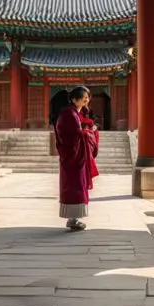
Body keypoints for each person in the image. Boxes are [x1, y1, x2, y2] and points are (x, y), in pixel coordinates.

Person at [55, 86, 96, 231]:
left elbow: (80, 130)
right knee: (74, 186)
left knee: (79, 185)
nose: (86, 99)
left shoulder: (77, 114)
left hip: (78, 157)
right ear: (74, 99)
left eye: (87, 96)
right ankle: (73, 219)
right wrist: (87, 133)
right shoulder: (68, 114)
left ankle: (75, 218)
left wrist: (87, 130)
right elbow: (71, 134)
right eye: (84, 97)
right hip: (72, 157)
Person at [79, 103, 100, 189]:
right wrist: (89, 122)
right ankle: (83, 182)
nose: (86, 100)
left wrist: (94, 125)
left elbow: (95, 121)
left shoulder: (89, 110)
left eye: (87, 98)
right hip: (82, 139)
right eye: (85, 98)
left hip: (89, 137)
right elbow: (80, 120)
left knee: (88, 161)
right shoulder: (77, 110)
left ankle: (87, 182)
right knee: (84, 162)